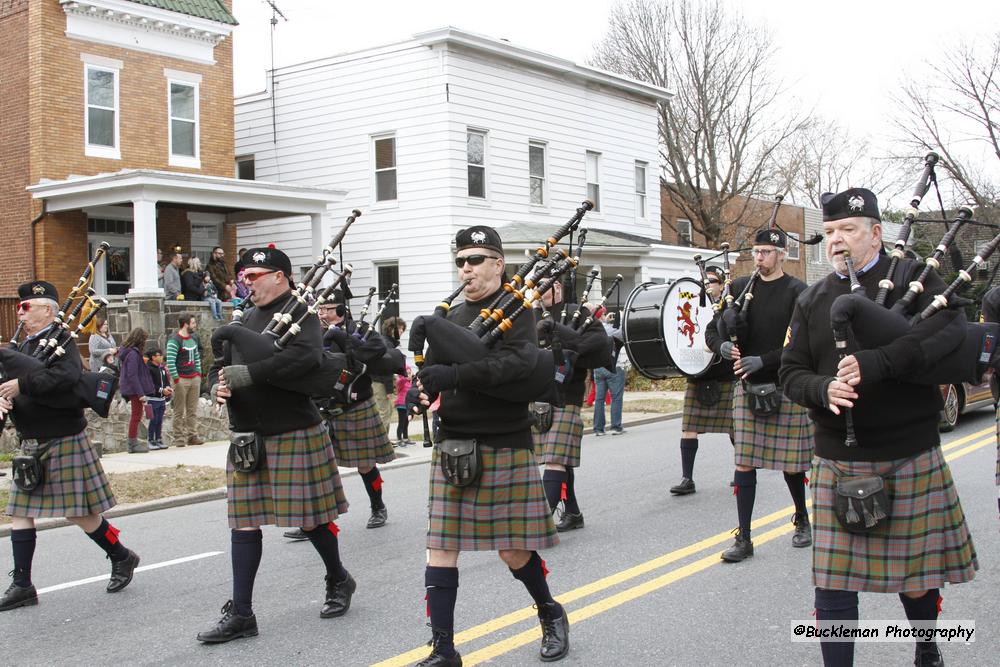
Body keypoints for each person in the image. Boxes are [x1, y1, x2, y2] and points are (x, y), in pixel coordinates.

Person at [780, 188, 978, 667]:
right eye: (829, 233)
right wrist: (823, 388)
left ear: (875, 233)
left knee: (915, 580)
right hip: (837, 457)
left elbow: (948, 333)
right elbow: (790, 372)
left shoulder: (914, 278)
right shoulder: (812, 299)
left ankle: (927, 645)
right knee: (832, 587)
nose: (837, 241)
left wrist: (881, 363)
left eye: (848, 229)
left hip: (908, 450)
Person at [410, 225, 569, 666]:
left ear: (498, 264)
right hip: (453, 443)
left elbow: (517, 364)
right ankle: (443, 648)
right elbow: (434, 374)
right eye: (461, 261)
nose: (467, 268)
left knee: (513, 550)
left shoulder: (517, 312)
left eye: (476, 259)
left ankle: (550, 611)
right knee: (440, 547)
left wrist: (455, 375)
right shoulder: (451, 317)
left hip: (503, 442)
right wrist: (420, 390)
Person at [198, 246, 354, 643]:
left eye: (253, 276)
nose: (246, 283)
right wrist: (218, 382)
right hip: (249, 434)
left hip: (292, 430)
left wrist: (246, 375)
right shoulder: (248, 315)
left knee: (310, 518)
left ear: (279, 276)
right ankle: (242, 614)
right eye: (243, 277)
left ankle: (338, 578)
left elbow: (303, 361)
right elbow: (221, 362)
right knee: (243, 521)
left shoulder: (303, 313)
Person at [0, 280, 140, 612]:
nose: (20, 313)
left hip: (62, 437)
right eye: (19, 308)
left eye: (25, 308)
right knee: (19, 512)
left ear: (47, 309)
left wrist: (22, 384)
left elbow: (64, 380)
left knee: (79, 513)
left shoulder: (62, 341)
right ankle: (22, 584)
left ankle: (122, 555)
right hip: (30, 441)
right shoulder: (20, 348)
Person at [706, 227, 812, 563]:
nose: (760, 258)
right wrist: (721, 344)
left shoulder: (798, 292)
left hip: (783, 383)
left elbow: (802, 344)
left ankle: (802, 518)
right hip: (747, 387)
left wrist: (764, 359)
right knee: (744, 462)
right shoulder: (739, 289)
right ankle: (745, 537)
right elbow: (713, 329)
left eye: (767, 252)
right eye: (756, 252)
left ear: (782, 254)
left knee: (793, 465)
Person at [302, 291, 396, 531]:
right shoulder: (313, 331)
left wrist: (344, 338)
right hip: (322, 407)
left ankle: (378, 506)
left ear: (342, 310)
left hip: (355, 406)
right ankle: (315, 522)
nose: (322, 313)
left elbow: (374, 352)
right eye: (320, 309)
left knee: (365, 464)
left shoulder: (361, 329)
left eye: (328, 309)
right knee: (315, 466)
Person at [534, 279, 612, 532]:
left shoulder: (577, 312)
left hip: (567, 395)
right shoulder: (529, 314)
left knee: (555, 458)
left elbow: (600, 344)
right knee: (561, 460)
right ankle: (573, 513)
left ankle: (540, 523)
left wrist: (565, 344)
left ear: (557, 287)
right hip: (535, 397)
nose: (538, 290)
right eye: (535, 284)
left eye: (543, 285)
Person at [670, 266, 736, 496]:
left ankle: (741, 472)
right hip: (697, 373)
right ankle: (687, 478)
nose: (707, 285)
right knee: (689, 427)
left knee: (734, 428)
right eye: (704, 281)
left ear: (721, 284)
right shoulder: (690, 307)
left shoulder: (731, 307)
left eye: (712, 281)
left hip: (726, 375)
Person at [166, 313, 204, 447]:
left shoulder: (193, 338)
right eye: (193, 323)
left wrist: (198, 373)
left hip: (194, 378)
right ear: (186, 324)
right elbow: (170, 361)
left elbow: (197, 357)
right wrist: (176, 380)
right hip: (181, 379)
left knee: (192, 410)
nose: (195, 326)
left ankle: (192, 436)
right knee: (179, 410)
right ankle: (179, 437)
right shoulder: (174, 340)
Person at [117, 328, 155, 454]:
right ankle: (132, 444)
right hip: (134, 389)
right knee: (136, 415)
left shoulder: (129, 352)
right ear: (140, 340)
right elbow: (132, 375)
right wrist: (141, 394)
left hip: (132, 388)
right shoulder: (133, 354)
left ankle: (133, 443)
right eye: (144, 339)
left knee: (136, 415)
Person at [592, 310, 627, 436]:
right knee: (616, 397)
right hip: (614, 366)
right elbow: (623, 331)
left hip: (598, 367)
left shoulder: (595, 329)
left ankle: (598, 428)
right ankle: (616, 426)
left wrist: (606, 320)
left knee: (599, 399)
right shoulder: (613, 330)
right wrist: (621, 316)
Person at [146, 347, 173, 451]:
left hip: (161, 400)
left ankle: (158, 438)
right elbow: (150, 384)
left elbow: (166, 381)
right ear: (153, 357)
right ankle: (150, 440)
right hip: (152, 399)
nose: (162, 357)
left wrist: (168, 388)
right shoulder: (148, 369)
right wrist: (162, 390)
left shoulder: (162, 368)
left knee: (159, 420)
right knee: (153, 420)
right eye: (159, 355)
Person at [394, 365, 415, 446]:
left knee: (406, 422)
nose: (409, 374)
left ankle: (405, 438)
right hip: (401, 405)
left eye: (410, 372)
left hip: (408, 405)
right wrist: (405, 377)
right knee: (401, 422)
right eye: (407, 373)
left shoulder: (410, 382)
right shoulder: (401, 382)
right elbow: (399, 382)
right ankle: (399, 439)